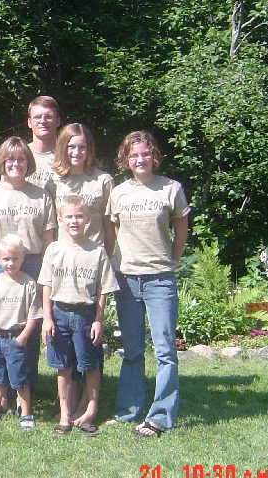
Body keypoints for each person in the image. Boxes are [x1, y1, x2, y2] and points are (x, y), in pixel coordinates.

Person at [104, 131, 189, 437]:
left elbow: (181, 232)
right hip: (127, 280)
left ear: (154, 156)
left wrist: (170, 262)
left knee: (165, 351)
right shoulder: (119, 193)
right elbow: (114, 232)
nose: (140, 159)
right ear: (125, 159)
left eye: (145, 154)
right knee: (131, 351)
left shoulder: (170, 189)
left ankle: (161, 417)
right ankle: (128, 411)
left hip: (160, 280)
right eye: (133, 155)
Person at [0, 136, 56, 404]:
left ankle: (25, 390)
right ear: (2, 162)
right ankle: (1, 391)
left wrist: (46, 277)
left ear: (28, 162)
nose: (16, 164)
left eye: (21, 159)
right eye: (10, 159)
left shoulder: (41, 195)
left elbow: (49, 241)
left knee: (27, 328)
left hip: (31, 265)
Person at [39, 195, 118, 436]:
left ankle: (90, 410)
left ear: (88, 219)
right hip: (59, 313)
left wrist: (98, 320)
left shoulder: (97, 252)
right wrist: (47, 318)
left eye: (79, 216)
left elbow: (104, 290)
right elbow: (46, 285)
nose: (74, 221)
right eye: (69, 217)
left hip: (86, 315)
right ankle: (65, 415)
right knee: (63, 366)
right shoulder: (53, 250)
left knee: (90, 365)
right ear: (60, 220)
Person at [0, 234, 41, 431]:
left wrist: (23, 337)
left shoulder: (29, 284)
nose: (10, 263)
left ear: (23, 258)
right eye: (6, 259)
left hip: (16, 339)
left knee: (20, 378)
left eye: (15, 259)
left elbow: (34, 315)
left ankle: (26, 413)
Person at [49, 123, 114, 247]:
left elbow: (110, 228)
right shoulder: (53, 182)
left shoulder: (104, 181)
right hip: (64, 253)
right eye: (71, 146)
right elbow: (50, 228)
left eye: (82, 147)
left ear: (89, 149)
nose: (77, 152)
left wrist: (106, 255)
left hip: (94, 252)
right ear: (63, 147)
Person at [24, 95, 61, 190]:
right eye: (37, 117)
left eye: (48, 117)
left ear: (58, 121)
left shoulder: (68, 156)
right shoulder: (18, 155)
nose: (43, 121)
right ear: (29, 122)